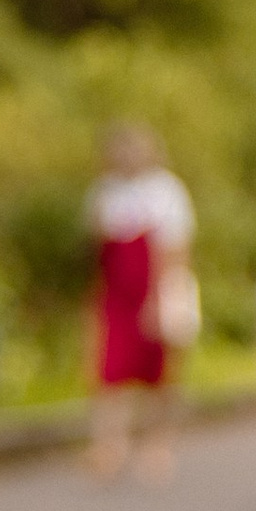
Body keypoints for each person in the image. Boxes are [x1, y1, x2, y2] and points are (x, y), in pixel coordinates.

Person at [86, 121, 194, 485]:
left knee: (158, 376)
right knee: (109, 372)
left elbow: (177, 249)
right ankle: (109, 445)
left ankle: (157, 447)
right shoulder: (105, 191)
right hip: (117, 294)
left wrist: (164, 297)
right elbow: (98, 250)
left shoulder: (166, 191)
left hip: (154, 291)